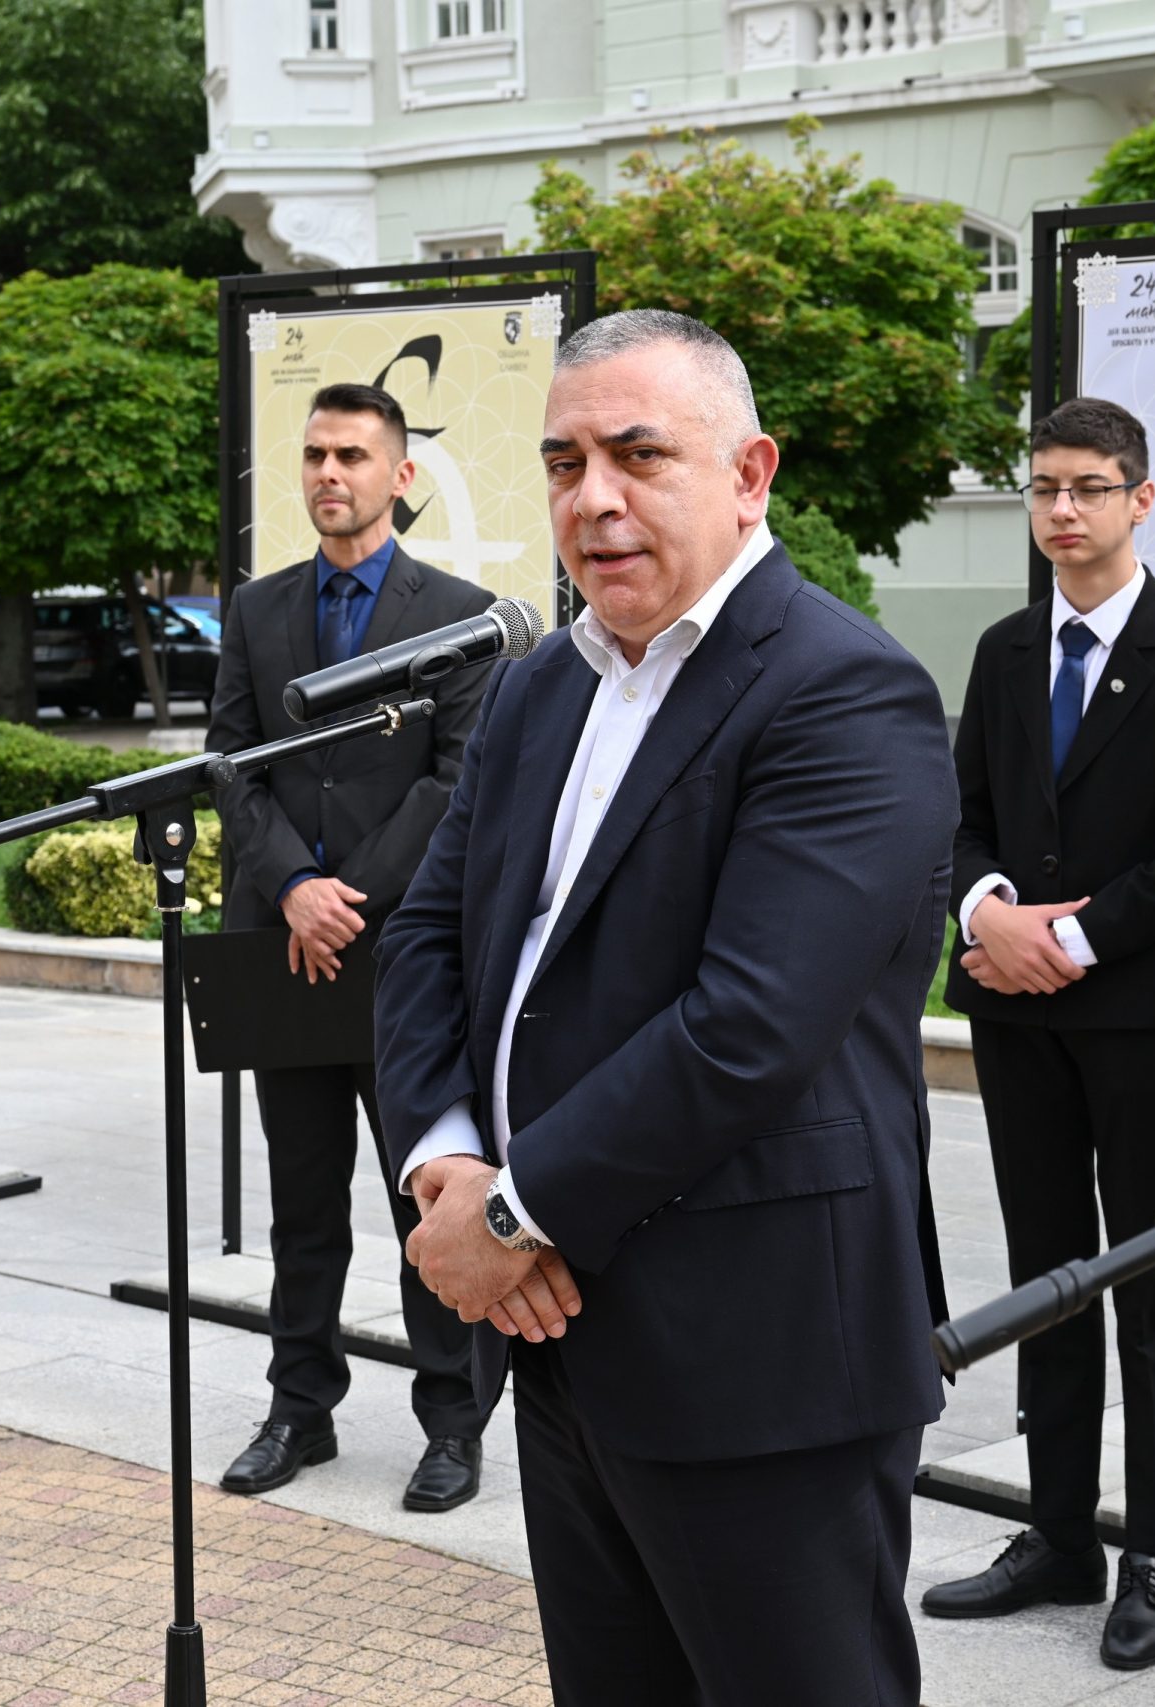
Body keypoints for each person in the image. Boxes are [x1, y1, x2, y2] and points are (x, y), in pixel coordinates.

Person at [375, 310, 958, 1706]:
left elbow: (747, 1027)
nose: (593, 498)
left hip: (756, 1349)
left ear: (749, 473)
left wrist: (509, 1219)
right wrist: (445, 1159)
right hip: (560, 1336)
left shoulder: (844, 690)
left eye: (638, 455)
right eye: (563, 462)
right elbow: (426, 936)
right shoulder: (537, 688)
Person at [923, 397, 1155, 1672]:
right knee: (1045, 1276)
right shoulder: (1006, 649)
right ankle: (1058, 1533)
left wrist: (1071, 942)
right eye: (1044, 487)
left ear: (1139, 499)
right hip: (1013, 1018)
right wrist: (988, 912)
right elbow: (962, 820)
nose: (1061, 509)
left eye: (1088, 488)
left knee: (1146, 1275)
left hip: (1131, 1015)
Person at [207, 381, 497, 1515]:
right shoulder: (256, 608)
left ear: (400, 475)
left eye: (354, 456)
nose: (331, 474)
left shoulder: (460, 614)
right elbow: (230, 761)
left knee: (428, 1194)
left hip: (400, 954)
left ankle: (452, 1423)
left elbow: (455, 781)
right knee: (301, 1200)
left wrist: (349, 898)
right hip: (281, 950)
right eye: (317, 454)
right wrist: (291, 887)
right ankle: (300, 1408)